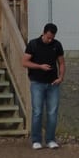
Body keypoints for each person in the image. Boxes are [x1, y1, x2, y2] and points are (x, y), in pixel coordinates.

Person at [22, 22, 66, 150]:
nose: (50, 39)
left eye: (52, 37)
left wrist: (61, 77)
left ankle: (50, 139)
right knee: (37, 112)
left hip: (53, 84)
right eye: (48, 37)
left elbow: (61, 63)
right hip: (37, 83)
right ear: (43, 33)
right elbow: (24, 62)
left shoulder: (57, 45)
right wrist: (39, 66)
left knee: (52, 112)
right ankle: (36, 140)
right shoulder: (33, 44)